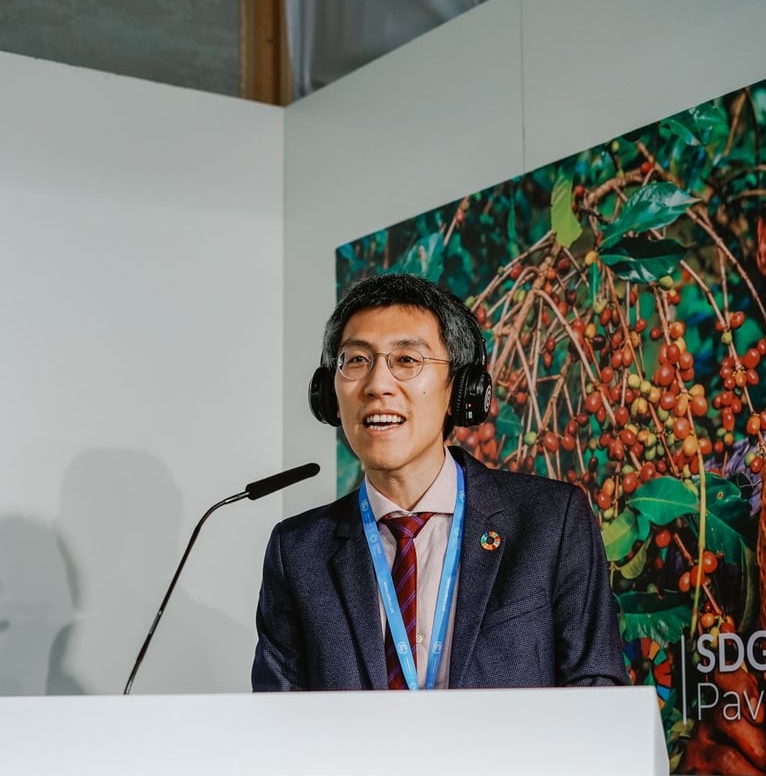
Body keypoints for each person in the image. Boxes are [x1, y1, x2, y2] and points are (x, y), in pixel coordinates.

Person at [252, 273, 627, 691]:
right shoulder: (298, 552)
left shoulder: (551, 523)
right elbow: (277, 717)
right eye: (356, 360)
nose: (377, 385)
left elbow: (596, 691)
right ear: (329, 395)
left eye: (407, 360)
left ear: (460, 390)